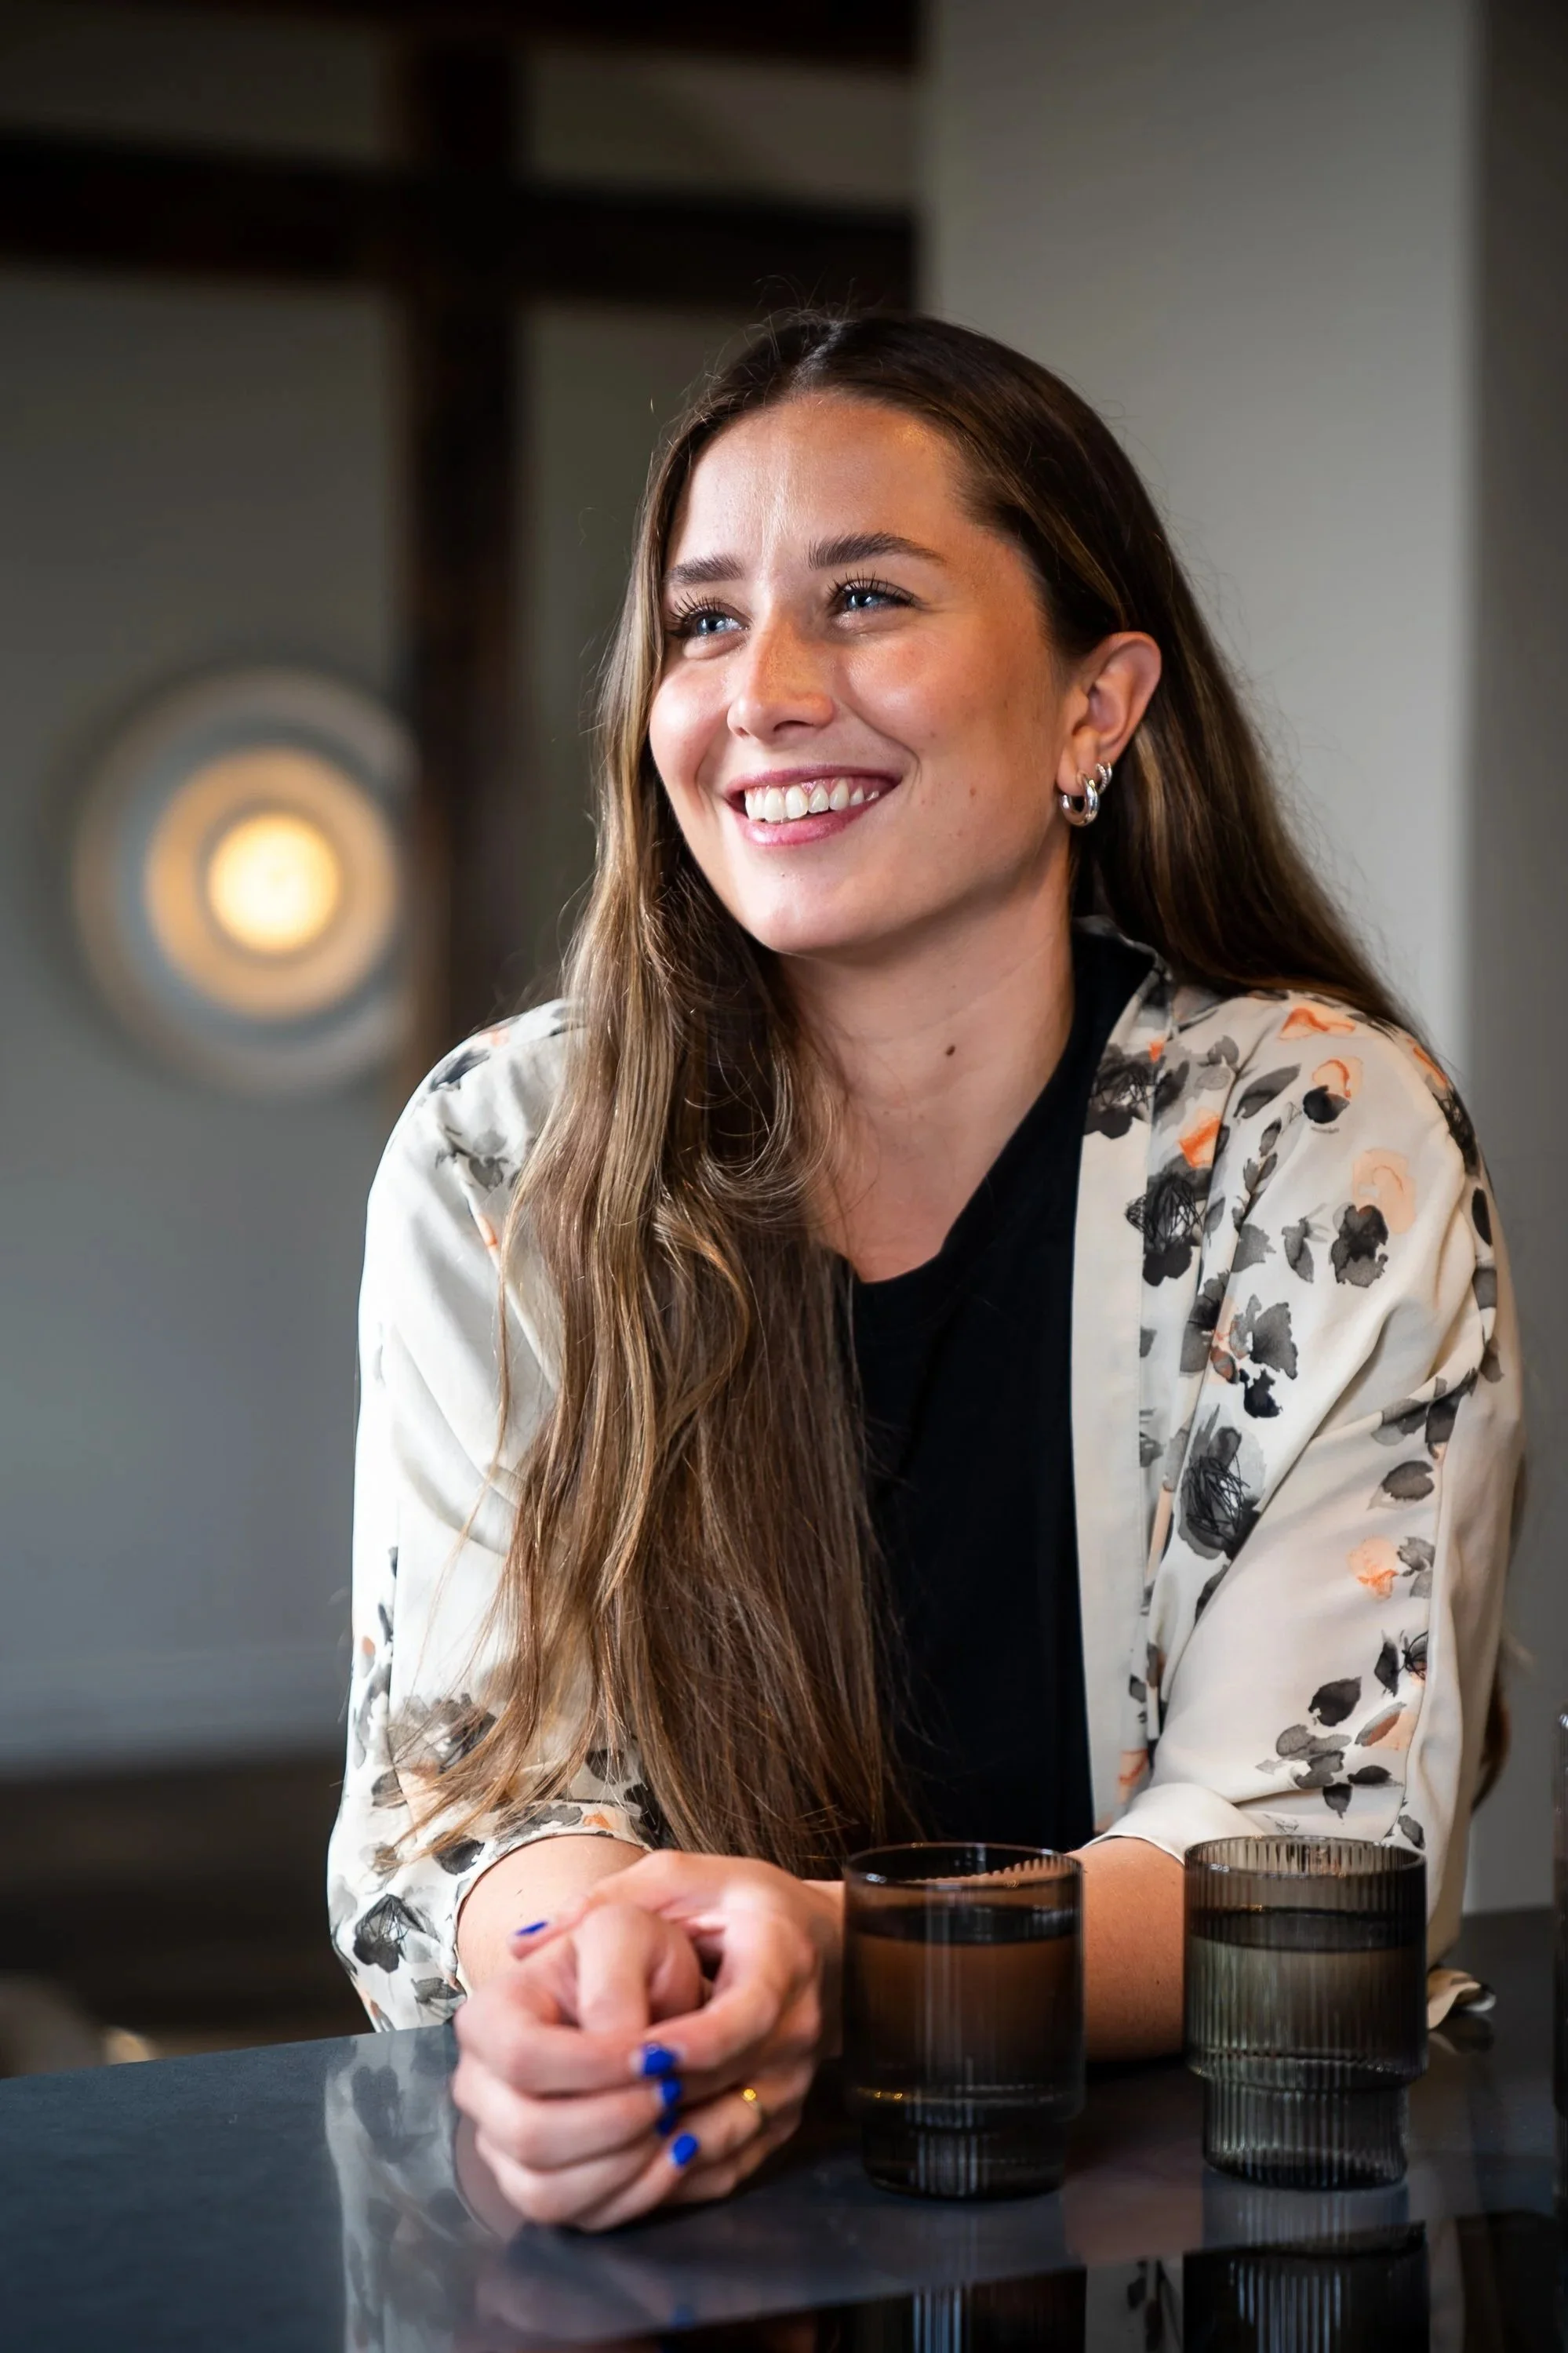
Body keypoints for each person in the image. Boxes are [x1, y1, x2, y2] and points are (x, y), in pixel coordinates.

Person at [327, 312, 1521, 2232]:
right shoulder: (505, 1156)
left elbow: (1312, 1852)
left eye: (865, 596)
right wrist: (597, 1993)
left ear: (1095, 707)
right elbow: (467, 1802)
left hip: (1191, 2216)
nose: (766, 691)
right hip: (680, 2194)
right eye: (706, 622)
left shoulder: (1312, 1136)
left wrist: (830, 1955)